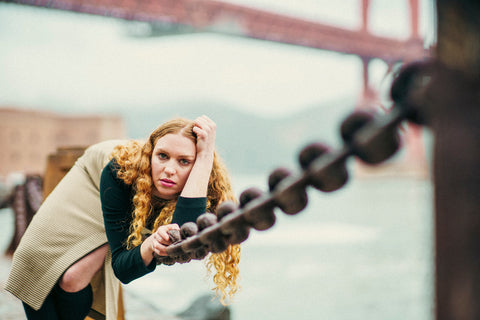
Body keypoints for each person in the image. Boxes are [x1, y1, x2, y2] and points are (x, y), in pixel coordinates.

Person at [5, 115, 241, 320]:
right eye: (162, 156)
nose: (170, 169)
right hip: (98, 179)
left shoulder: (202, 185)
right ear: (150, 154)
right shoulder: (118, 170)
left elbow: (180, 232)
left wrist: (206, 155)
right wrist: (148, 243)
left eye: (184, 161)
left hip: (137, 201)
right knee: (36, 261)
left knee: (72, 278)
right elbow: (124, 264)